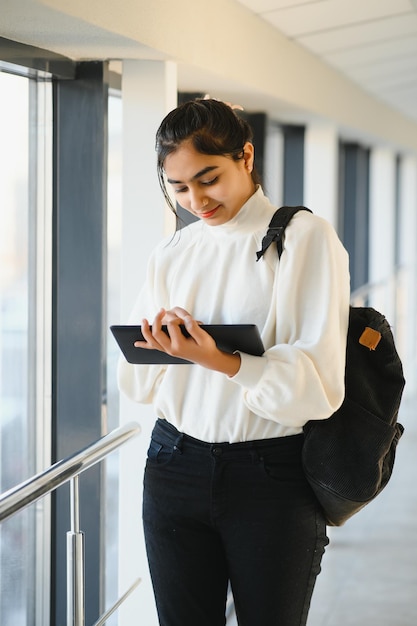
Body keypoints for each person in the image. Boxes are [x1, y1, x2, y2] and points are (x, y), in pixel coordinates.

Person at [118, 98, 350, 626]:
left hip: (270, 475)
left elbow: (316, 390)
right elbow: (135, 381)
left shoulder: (302, 237)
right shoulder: (175, 250)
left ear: (245, 156)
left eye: (208, 178)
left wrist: (219, 359)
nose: (196, 199)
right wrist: (163, 343)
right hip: (174, 463)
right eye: (178, 188)